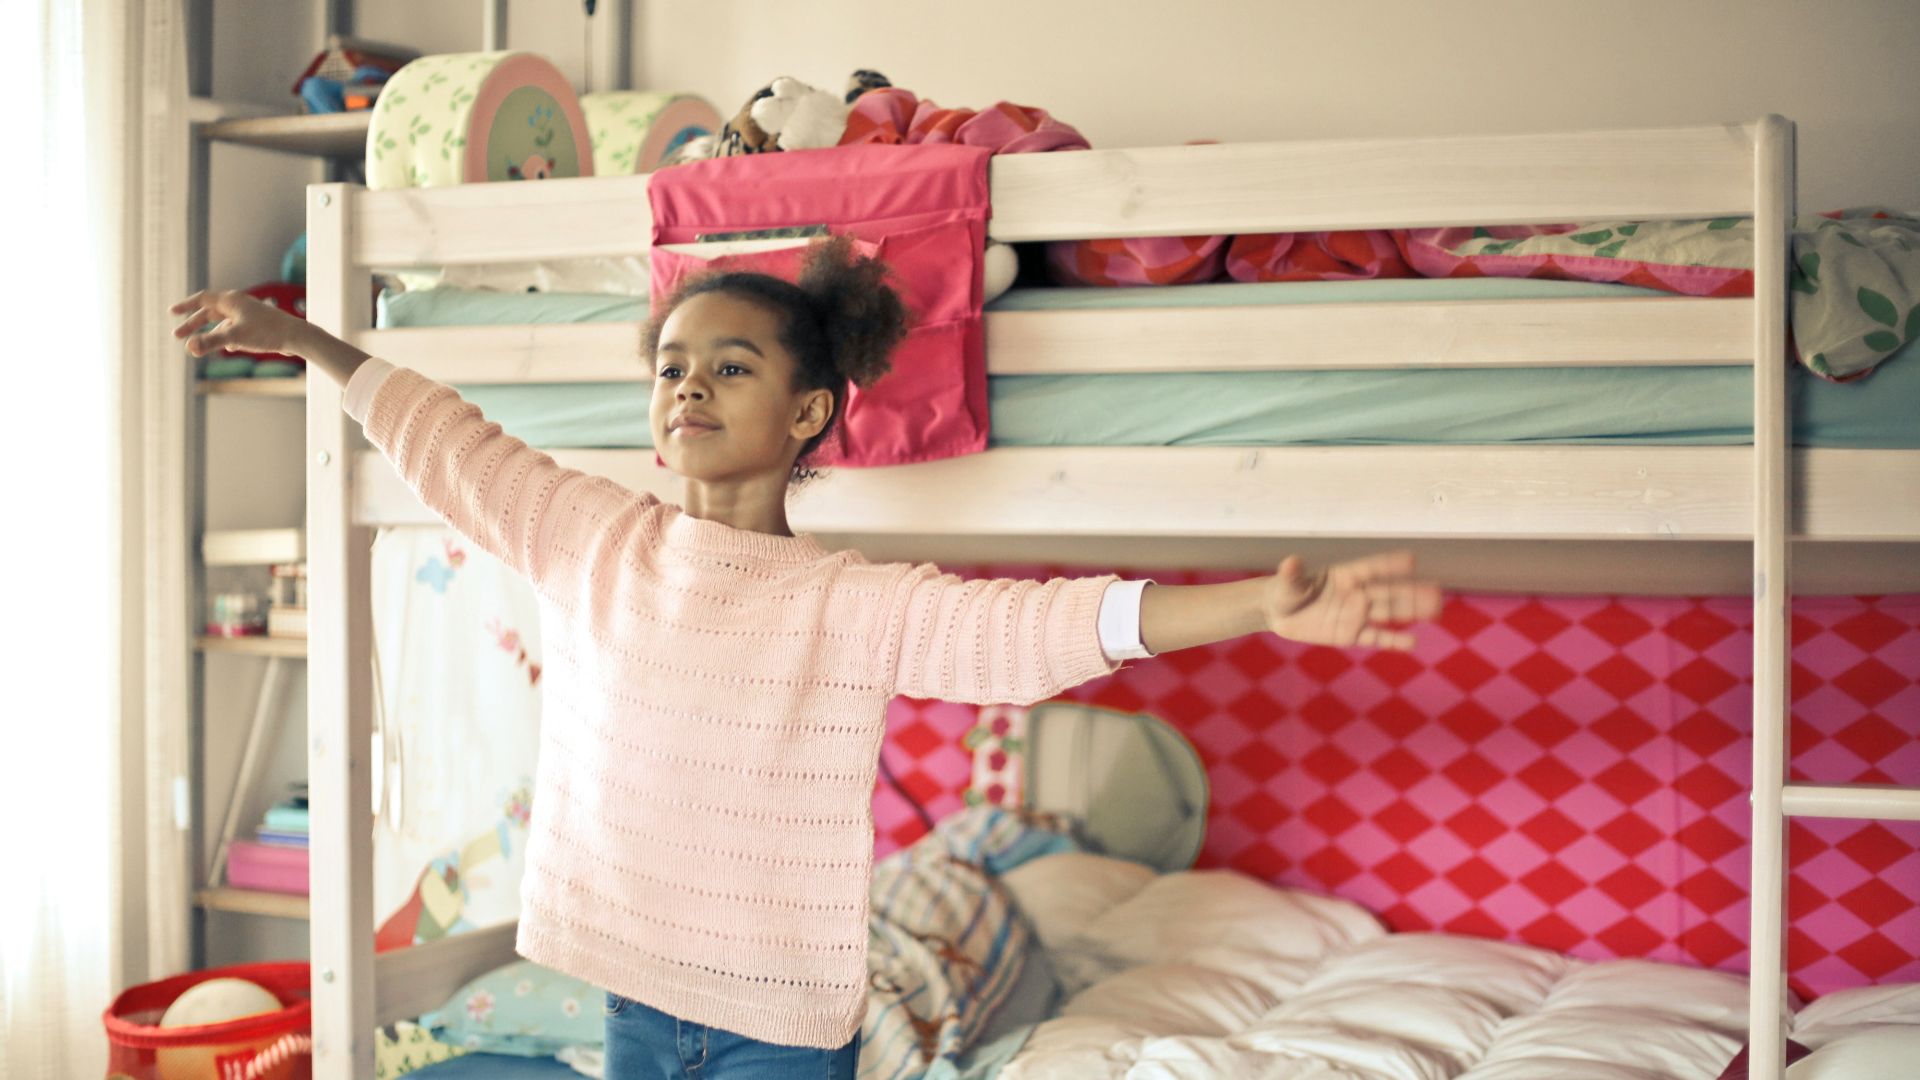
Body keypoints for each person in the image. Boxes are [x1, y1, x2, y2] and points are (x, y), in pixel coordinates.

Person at [171, 237, 1441, 1078]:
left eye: (732, 368)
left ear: (810, 411)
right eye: (673, 368)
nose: (690, 388)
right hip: (632, 993)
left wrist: (1257, 605)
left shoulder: (842, 603)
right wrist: (309, 344)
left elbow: (1036, 629)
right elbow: (452, 443)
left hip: (777, 1025)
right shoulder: (593, 540)